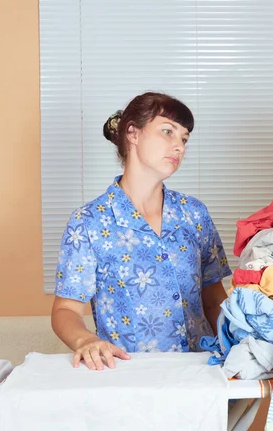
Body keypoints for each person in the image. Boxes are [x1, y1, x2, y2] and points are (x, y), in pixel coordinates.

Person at [51, 92, 232, 370]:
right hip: (130, 377)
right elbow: (66, 310)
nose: (179, 146)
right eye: (167, 132)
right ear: (133, 133)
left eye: (184, 139)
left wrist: (240, 342)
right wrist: (84, 340)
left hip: (202, 372)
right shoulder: (89, 222)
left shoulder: (194, 214)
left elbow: (213, 300)